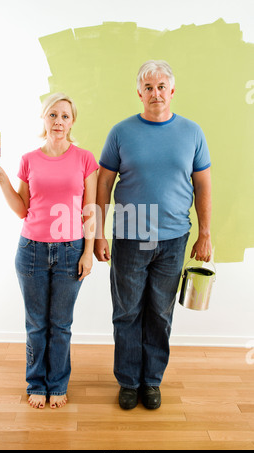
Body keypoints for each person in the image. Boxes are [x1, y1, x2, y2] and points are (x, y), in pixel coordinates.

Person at [94, 60, 212, 410]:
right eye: (148, 87)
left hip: (175, 238)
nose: (155, 93)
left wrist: (205, 233)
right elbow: (103, 182)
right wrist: (97, 233)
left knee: (160, 314)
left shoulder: (192, 133)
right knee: (127, 312)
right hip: (130, 236)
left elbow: (203, 184)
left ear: (172, 91)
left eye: (162, 86)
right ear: (139, 93)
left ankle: (151, 381)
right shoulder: (121, 132)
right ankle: (129, 381)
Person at [0, 93, 99, 409]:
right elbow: (22, 209)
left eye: (65, 116)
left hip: (71, 250)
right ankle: (36, 383)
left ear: (72, 121)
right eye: (53, 115)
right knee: (36, 324)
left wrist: (88, 252)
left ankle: (58, 384)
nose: (58, 122)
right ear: (43, 119)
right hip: (31, 251)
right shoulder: (28, 160)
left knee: (61, 324)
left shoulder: (85, 159)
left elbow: (90, 210)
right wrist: (4, 178)